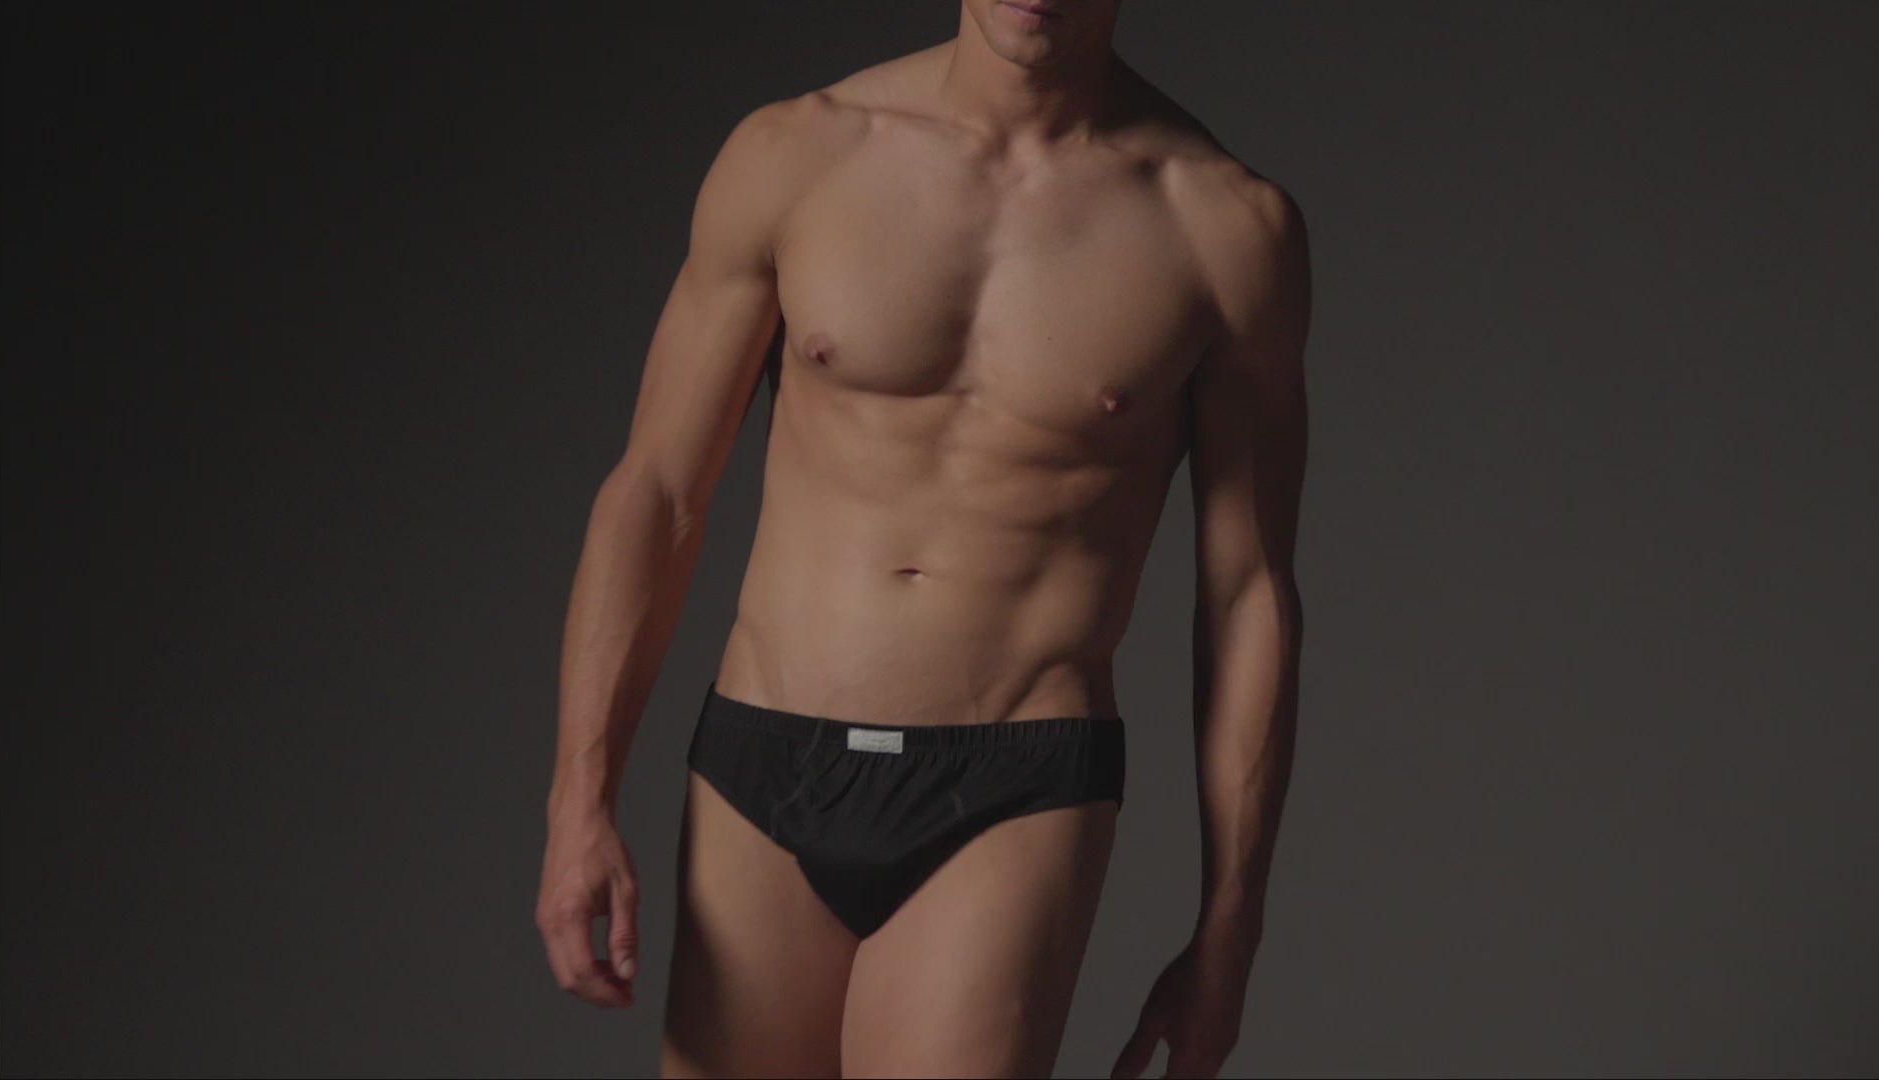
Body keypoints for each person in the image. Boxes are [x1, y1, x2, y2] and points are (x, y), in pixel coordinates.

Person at [535, 0, 1310, 1075]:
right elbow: (657, 491)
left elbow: (1247, 595)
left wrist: (1232, 927)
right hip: (764, 760)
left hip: (1014, 789)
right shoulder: (797, 154)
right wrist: (580, 799)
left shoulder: (1226, 228)